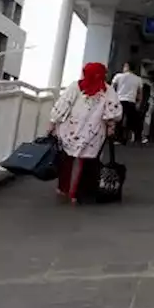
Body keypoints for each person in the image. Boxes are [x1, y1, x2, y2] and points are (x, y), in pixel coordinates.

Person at [48, 62, 122, 204]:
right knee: (86, 161)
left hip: (70, 129)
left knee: (66, 159)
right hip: (93, 132)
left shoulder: (75, 86)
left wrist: (53, 121)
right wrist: (111, 125)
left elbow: (63, 105)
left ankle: (63, 188)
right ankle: (77, 193)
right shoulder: (107, 90)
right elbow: (113, 112)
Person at [111, 62, 144, 144]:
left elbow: (112, 88)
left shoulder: (118, 76)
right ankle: (132, 137)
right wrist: (139, 103)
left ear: (126, 66)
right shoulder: (138, 79)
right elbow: (140, 93)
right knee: (131, 120)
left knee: (119, 120)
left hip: (119, 100)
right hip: (131, 101)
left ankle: (118, 138)